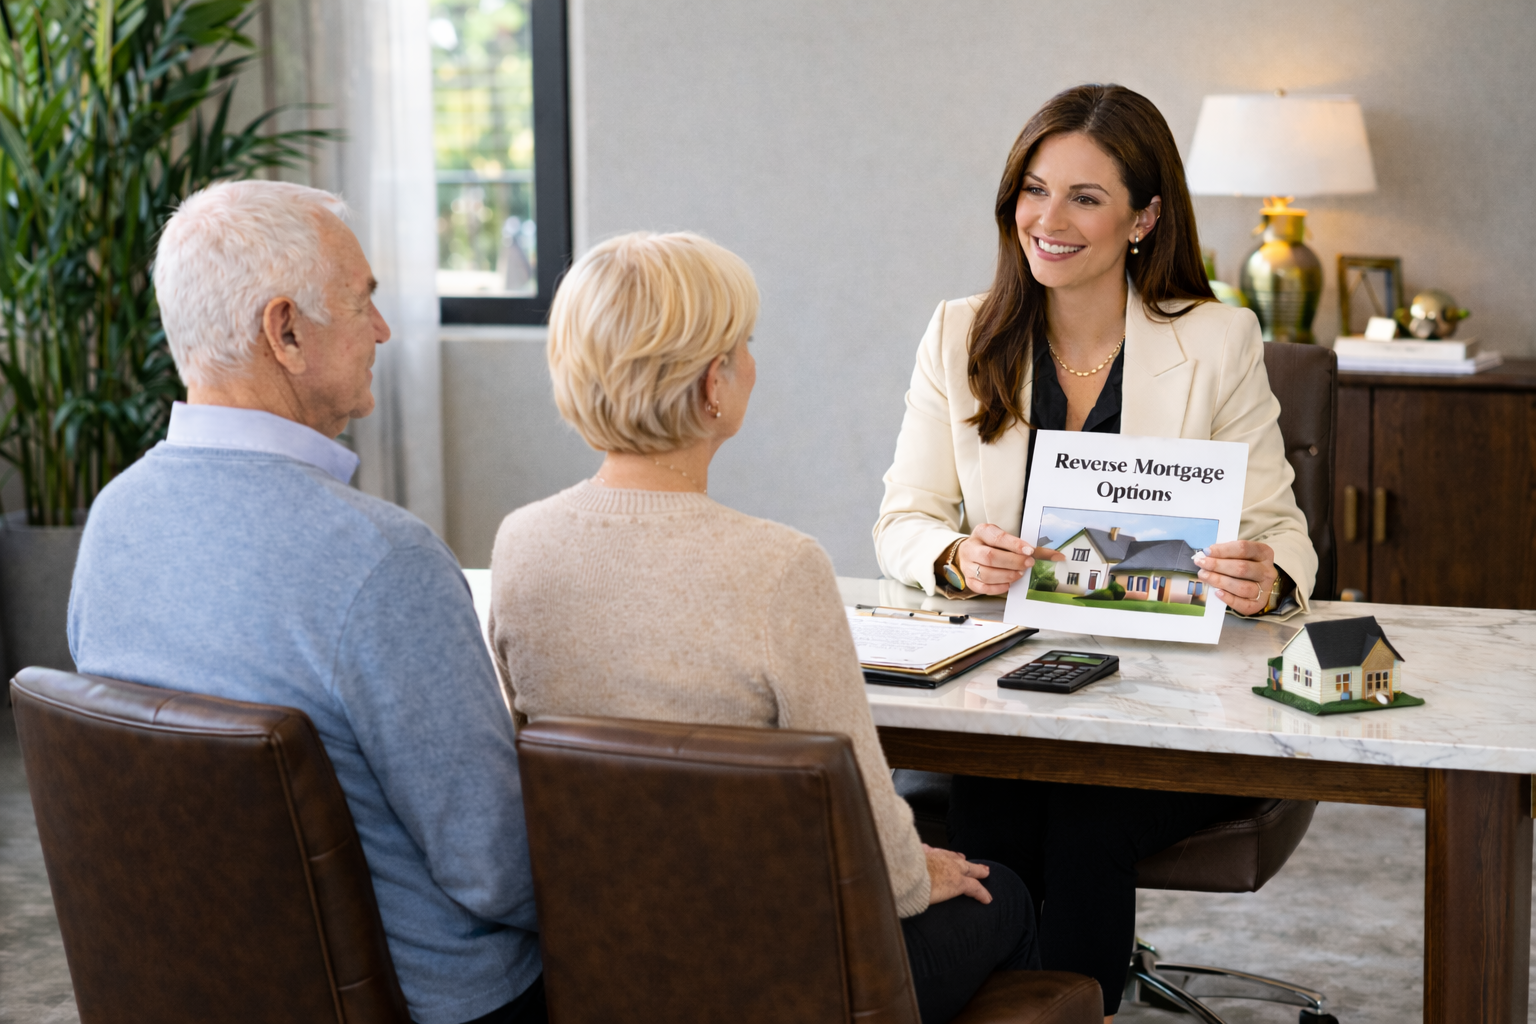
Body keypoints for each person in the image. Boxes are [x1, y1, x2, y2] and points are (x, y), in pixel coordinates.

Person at [490, 231, 1041, 1024]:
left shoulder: (521, 544)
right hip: (787, 972)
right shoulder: (779, 566)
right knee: (1007, 895)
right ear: (716, 385)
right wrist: (920, 871)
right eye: (743, 346)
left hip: (607, 954)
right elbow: (865, 826)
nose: (751, 363)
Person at [871, 84, 1318, 1020]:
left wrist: (1263, 575)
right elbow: (903, 521)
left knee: (1085, 810)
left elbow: (1283, 537)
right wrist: (957, 559)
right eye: (1034, 190)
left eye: (1085, 197)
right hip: (1017, 685)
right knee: (1003, 789)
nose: (1048, 219)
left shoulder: (1218, 338)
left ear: (1145, 217)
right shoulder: (960, 335)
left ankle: (1081, 1007)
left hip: (1170, 703)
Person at [68, 181, 543, 1024]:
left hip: (203, 988)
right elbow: (499, 871)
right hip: (430, 1006)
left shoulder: (115, 521)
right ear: (285, 330)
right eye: (364, 301)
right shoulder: (381, 559)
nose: (384, 330)